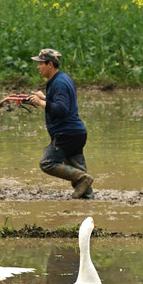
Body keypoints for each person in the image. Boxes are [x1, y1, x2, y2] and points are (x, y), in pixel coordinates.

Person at [27, 48, 94, 199]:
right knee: (77, 168)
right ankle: (88, 201)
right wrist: (44, 97)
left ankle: (83, 179)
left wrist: (40, 103)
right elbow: (60, 102)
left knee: (47, 163)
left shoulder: (59, 83)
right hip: (76, 132)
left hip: (66, 134)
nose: (38, 67)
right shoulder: (61, 79)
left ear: (50, 64)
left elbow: (61, 109)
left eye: (41, 63)